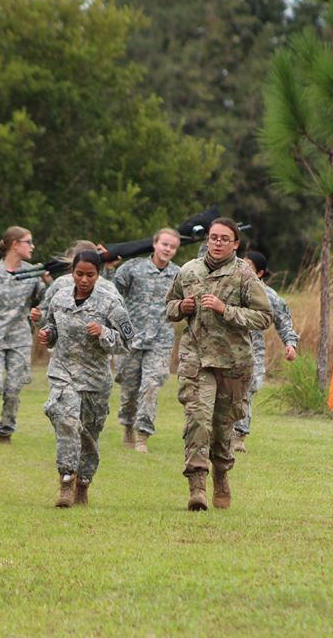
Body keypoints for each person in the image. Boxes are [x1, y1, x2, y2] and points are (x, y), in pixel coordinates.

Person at [165, 217, 272, 511]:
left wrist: (227, 310)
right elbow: (169, 306)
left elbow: (264, 317)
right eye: (214, 237)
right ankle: (196, 485)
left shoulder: (244, 276)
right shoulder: (188, 271)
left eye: (225, 238)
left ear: (235, 244)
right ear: (207, 240)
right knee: (197, 419)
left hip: (232, 361)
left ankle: (222, 475)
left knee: (223, 427)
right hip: (196, 358)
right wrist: (180, 307)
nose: (218, 242)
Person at [39, 250, 134, 508]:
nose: (83, 280)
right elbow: (52, 328)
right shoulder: (59, 298)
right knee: (67, 420)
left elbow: (127, 340)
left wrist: (103, 332)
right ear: (72, 273)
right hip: (63, 372)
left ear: (98, 274)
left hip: (94, 379)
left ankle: (84, 482)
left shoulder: (110, 302)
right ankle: (66, 481)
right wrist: (47, 334)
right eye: (79, 274)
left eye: (89, 275)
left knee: (89, 435)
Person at [0, 226, 47, 444]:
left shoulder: (32, 273)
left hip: (20, 339)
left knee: (13, 389)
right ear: (15, 244)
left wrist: (45, 291)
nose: (33, 246)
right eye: (28, 242)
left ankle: (6, 433)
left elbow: (46, 301)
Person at [113, 228, 181, 452]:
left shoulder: (179, 275)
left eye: (172, 246)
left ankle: (142, 435)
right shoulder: (133, 268)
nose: (167, 249)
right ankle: (128, 427)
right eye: (164, 244)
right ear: (154, 244)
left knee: (151, 385)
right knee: (129, 389)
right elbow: (113, 294)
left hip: (160, 340)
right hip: (130, 339)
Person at [232, 251, 299, 452]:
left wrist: (290, 343)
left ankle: (239, 435)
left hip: (253, 348)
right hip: (226, 346)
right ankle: (223, 432)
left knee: (250, 387)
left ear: (259, 273)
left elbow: (283, 321)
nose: (242, 269)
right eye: (240, 264)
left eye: (249, 266)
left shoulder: (269, 295)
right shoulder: (227, 287)